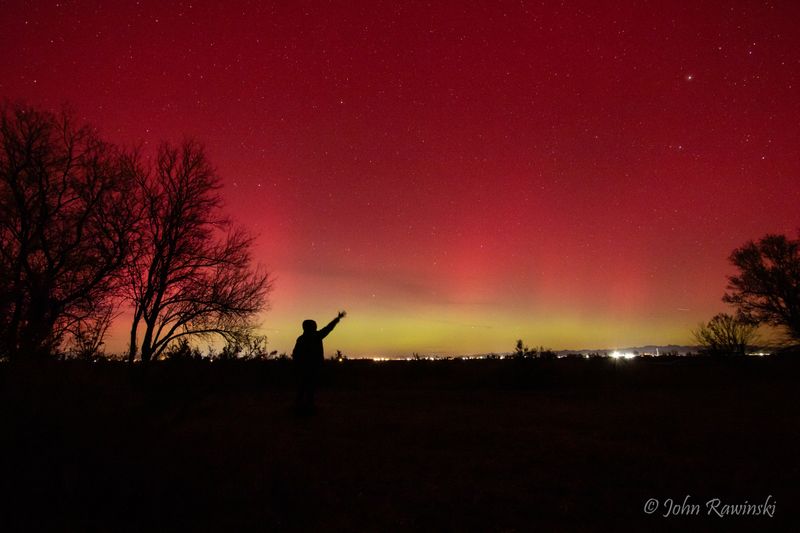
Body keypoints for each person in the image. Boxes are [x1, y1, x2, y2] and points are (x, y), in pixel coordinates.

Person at [292, 311, 346, 414]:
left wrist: (296, 365)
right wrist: (337, 319)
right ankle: (308, 408)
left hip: (302, 368)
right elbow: (329, 328)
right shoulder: (316, 336)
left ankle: (299, 407)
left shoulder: (301, 338)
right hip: (312, 367)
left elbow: (295, 353)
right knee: (309, 388)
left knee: (302, 388)